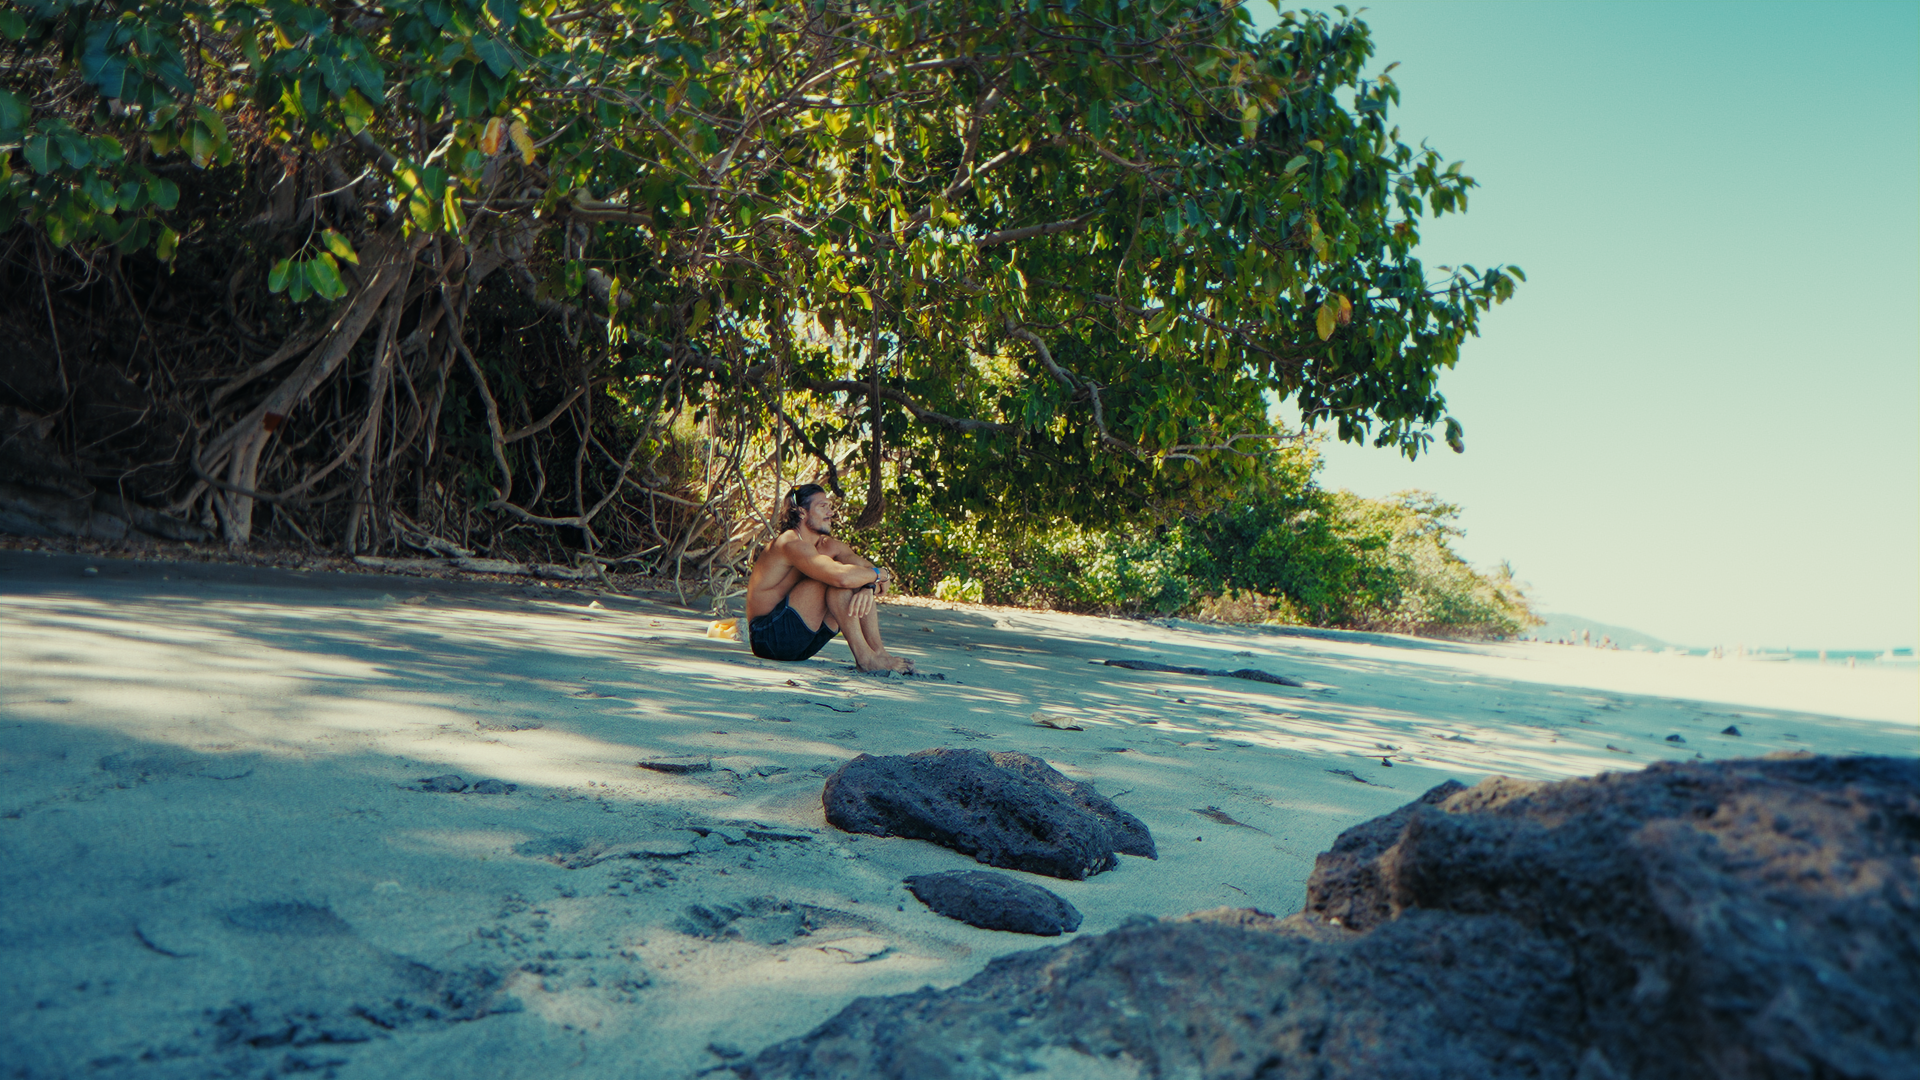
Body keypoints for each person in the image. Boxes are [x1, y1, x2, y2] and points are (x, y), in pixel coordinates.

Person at [744, 484, 915, 673]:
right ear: (802, 512)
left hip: (804, 645)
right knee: (834, 579)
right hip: (768, 638)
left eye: (830, 506)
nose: (831, 513)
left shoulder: (827, 545)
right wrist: (876, 575)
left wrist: (868, 586)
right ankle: (865, 658)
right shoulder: (790, 543)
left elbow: (871, 572)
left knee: (856, 578)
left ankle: (879, 653)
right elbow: (843, 577)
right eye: (822, 506)